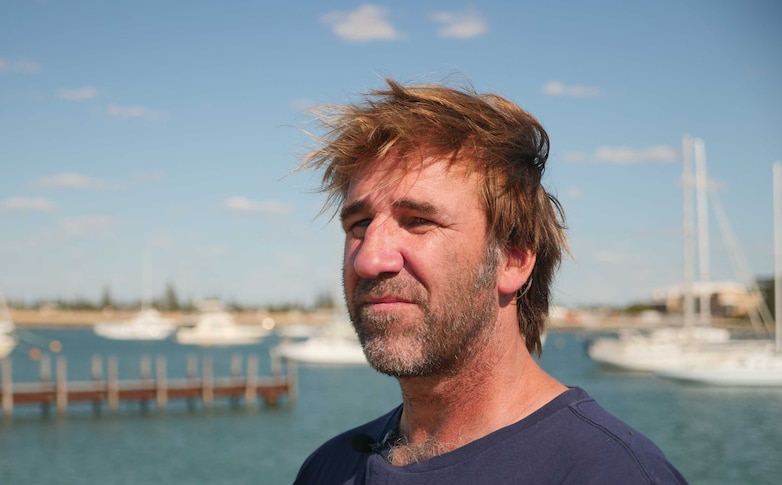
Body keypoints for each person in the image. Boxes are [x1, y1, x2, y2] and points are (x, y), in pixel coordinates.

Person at [292, 78, 687, 484]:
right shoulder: (328, 467)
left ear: (513, 260)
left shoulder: (611, 473)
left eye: (419, 221)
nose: (370, 258)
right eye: (359, 224)